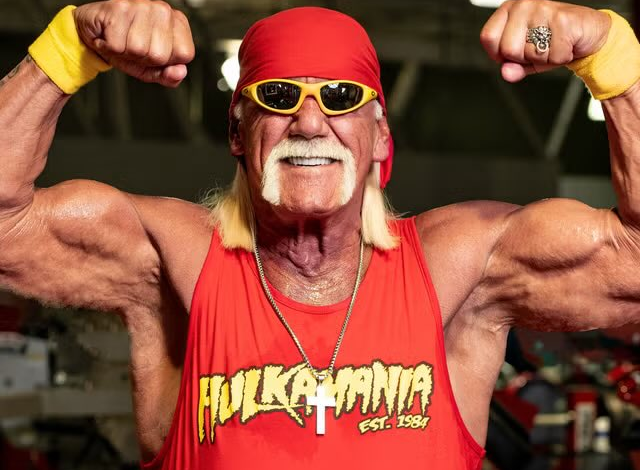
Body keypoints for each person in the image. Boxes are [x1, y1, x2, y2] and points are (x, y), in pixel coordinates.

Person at [0, 0, 638, 468]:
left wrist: (613, 59)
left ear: (379, 135)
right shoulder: (176, 261)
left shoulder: (457, 268)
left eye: (340, 96)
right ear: (237, 131)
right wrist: (68, 49)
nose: (309, 122)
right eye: (278, 96)